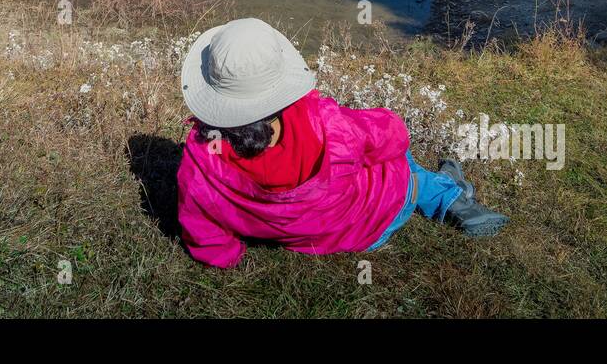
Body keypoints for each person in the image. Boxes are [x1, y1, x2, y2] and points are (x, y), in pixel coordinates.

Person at [176, 18, 508, 268]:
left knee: (378, 156)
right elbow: (393, 135)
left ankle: (447, 187)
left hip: (308, 236)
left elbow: (201, 226)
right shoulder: (322, 121)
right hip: (371, 224)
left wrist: (225, 254)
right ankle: (450, 193)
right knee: (398, 162)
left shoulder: (201, 158)